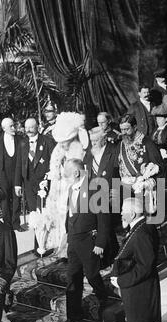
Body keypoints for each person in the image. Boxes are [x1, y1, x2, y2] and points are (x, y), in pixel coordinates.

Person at [110, 198, 161, 322]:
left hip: (139, 290)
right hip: (139, 289)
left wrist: (121, 281)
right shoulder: (141, 227)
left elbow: (145, 266)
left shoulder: (141, 233)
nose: (121, 213)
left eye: (123, 210)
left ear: (132, 214)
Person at [60, 159, 110, 322]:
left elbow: (103, 218)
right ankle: (73, 315)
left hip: (89, 240)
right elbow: (70, 214)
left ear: (76, 173)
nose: (65, 178)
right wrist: (68, 236)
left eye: (67, 174)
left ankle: (104, 300)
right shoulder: (70, 188)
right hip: (74, 240)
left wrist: (100, 242)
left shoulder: (95, 187)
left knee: (92, 274)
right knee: (72, 278)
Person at [44, 112, 89, 260]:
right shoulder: (58, 150)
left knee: (73, 216)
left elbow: (80, 172)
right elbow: (55, 167)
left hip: (74, 186)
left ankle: (73, 246)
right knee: (61, 215)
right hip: (61, 187)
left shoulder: (78, 148)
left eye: (65, 141)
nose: (62, 144)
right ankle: (63, 247)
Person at [84, 127, 120, 267]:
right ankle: (108, 255)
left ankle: (113, 255)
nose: (93, 143)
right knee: (100, 227)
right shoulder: (89, 153)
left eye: (96, 140)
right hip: (94, 194)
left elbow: (118, 174)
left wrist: (115, 194)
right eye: (91, 140)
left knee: (107, 226)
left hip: (110, 194)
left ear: (104, 139)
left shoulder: (113, 150)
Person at [15, 118, 56, 213]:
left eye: (31, 127)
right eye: (26, 127)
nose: (28, 130)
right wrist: (17, 184)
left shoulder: (47, 141)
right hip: (28, 183)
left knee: (45, 209)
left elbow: (54, 162)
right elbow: (18, 165)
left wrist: (49, 178)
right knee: (33, 210)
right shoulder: (22, 143)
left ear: (37, 127)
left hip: (44, 182)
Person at [0, 118, 23, 232]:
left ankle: (16, 224)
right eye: (11, 126)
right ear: (4, 128)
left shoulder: (19, 139)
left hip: (16, 173)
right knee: (4, 200)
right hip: (3, 174)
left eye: (14, 125)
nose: (14, 128)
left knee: (16, 199)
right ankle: (7, 226)